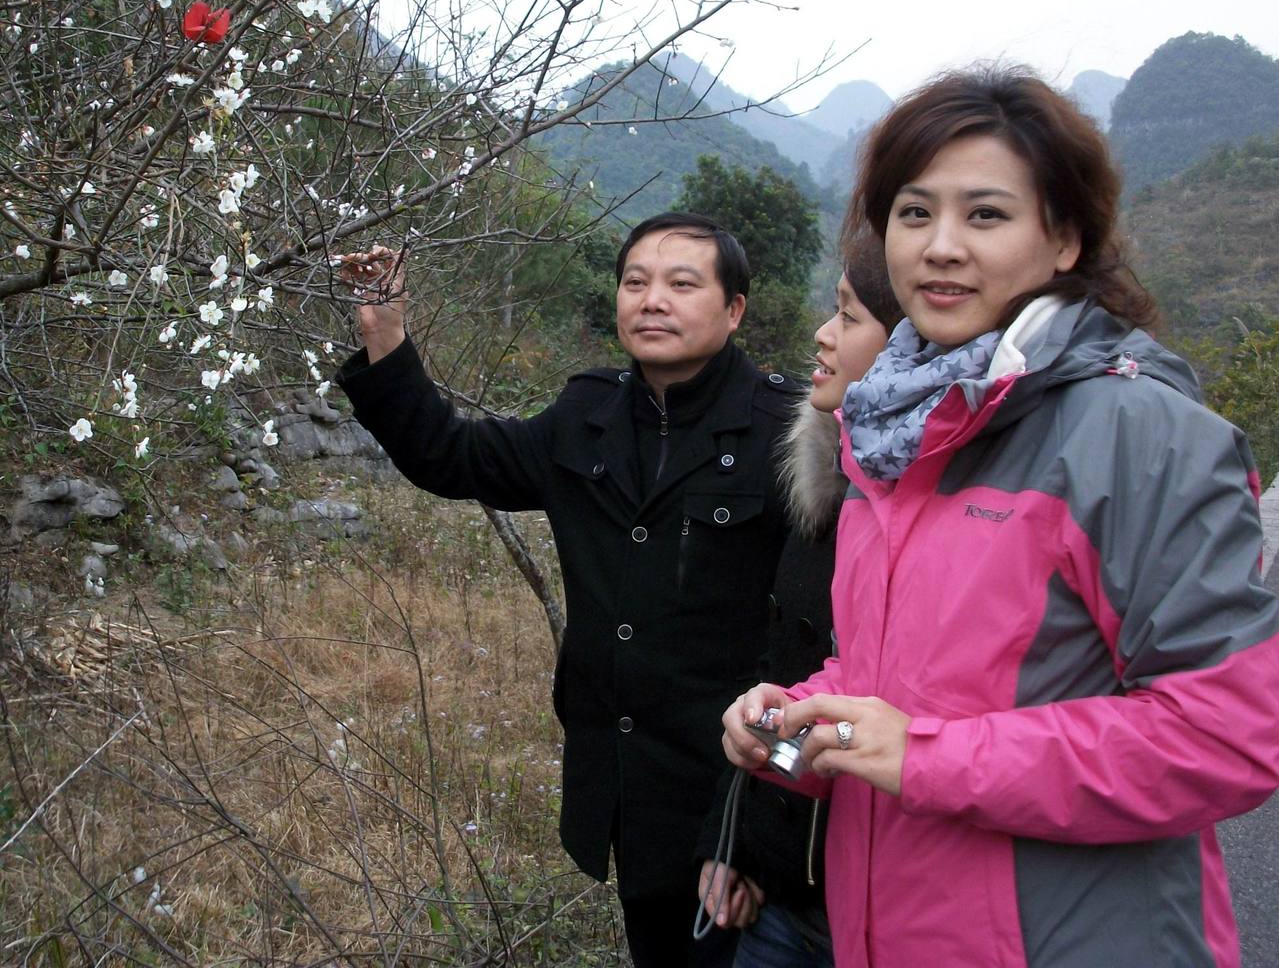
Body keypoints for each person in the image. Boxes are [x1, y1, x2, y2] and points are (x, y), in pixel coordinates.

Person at [720, 66, 1279, 967]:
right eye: (912, 213)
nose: (939, 246)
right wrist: (805, 715)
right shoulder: (890, 431)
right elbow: (904, 679)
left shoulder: (1138, 434)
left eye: (984, 215)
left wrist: (922, 755)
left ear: (1062, 239)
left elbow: (1225, 735)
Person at [334, 212, 803, 967]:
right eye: (635, 282)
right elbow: (451, 457)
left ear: (734, 309)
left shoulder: (785, 436)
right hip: (626, 791)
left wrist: (751, 835)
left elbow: (809, 652)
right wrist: (384, 331)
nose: (652, 300)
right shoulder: (586, 415)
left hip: (732, 797)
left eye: (682, 285)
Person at [696, 234, 902, 968]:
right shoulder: (830, 494)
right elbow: (781, 673)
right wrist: (736, 839)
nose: (821, 333)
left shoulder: (944, 518)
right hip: (788, 890)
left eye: (847, 316)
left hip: (902, 896)